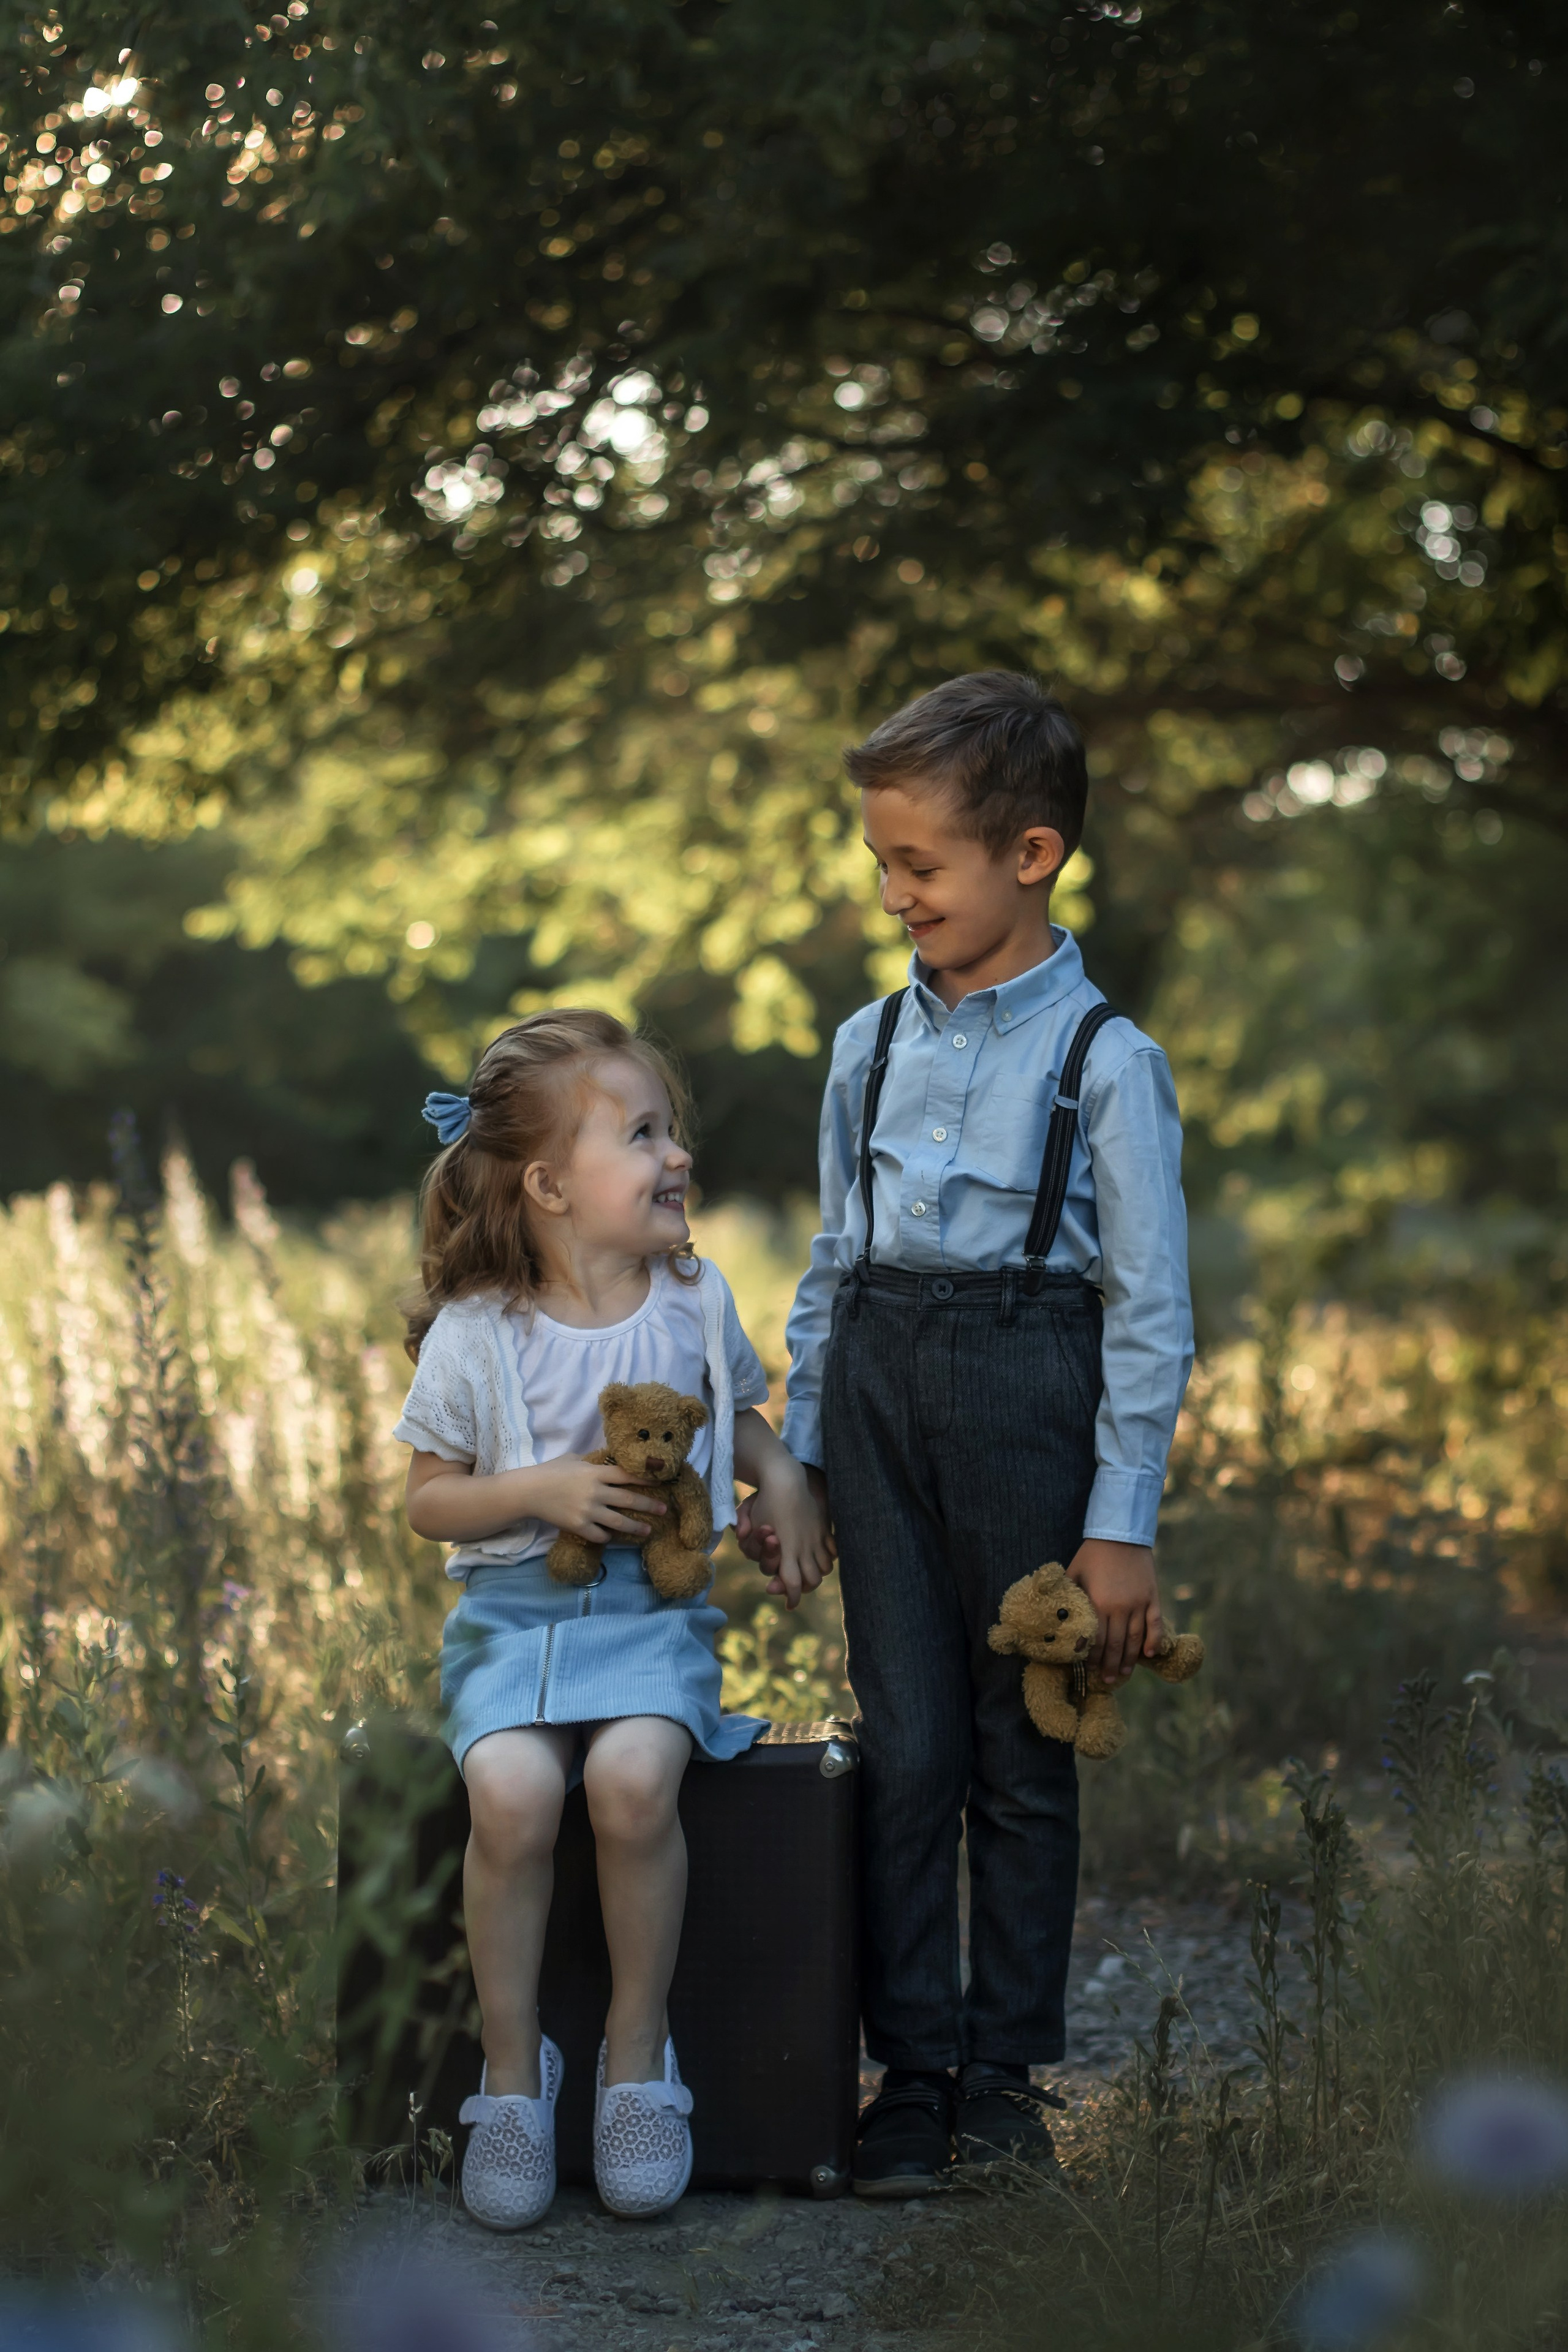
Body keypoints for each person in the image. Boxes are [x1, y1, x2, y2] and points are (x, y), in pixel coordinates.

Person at [754, 671, 1193, 2195]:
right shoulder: (863, 1043)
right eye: (880, 863)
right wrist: (798, 1451)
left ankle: (1001, 2077)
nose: (892, 894)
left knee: (1018, 1752)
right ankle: (909, 2068)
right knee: (904, 1744)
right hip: (875, 1391)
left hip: (1029, 1396)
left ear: (1029, 852)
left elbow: (1147, 1311)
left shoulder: (1109, 1064)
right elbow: (830, 1261)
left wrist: (1118, 1522)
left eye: (919, 865)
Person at [394, 1011, 834, 2230]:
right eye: (639, 1134)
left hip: (647, 1622)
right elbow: (429, 1500)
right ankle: (509, 2072)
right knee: (516, 1797)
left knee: (633, 1783)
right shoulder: (479, 1333)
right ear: (546, 1185)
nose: (674, 1154)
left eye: (670, 1129)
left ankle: (635, 2059)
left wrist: (782, 1480)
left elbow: (735, 1420)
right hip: (507, 1625)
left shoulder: (690, 1300)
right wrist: (534, 1490)